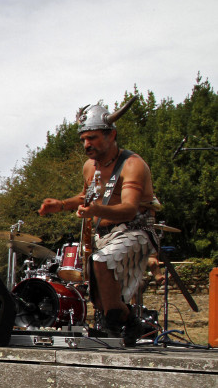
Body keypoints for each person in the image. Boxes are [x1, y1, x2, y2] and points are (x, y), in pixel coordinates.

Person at [38, 98, 158, 345]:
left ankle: (115, 327)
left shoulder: (133, 165)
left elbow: (128, 209)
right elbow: (86, 196)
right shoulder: (89, 167)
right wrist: (61, 205)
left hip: (135, 230)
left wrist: (95, 208)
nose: (86, 144)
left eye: (92, 138)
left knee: (100, 260)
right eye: (83, 139)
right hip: (104, 235)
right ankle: (130, 322)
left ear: (111, 135)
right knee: (101, 301)